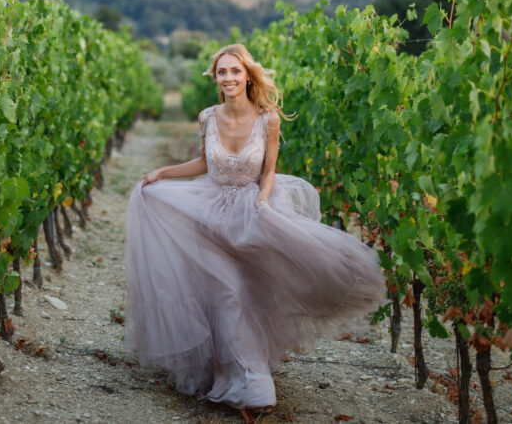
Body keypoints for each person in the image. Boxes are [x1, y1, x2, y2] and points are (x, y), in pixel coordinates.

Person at [124, 44, 386, 422]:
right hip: (210, 213)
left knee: (247, 295)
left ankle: (247, 378)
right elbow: (204, 162)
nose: (228, 78)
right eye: (221, 72)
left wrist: (263, 201)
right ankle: (250, 390)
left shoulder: (268, 119)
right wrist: (162, 173)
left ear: (247, 75)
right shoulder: (208, 117)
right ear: (214, 78)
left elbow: (268, 171)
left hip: (251, 212)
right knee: (225, 294)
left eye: (234, 71)